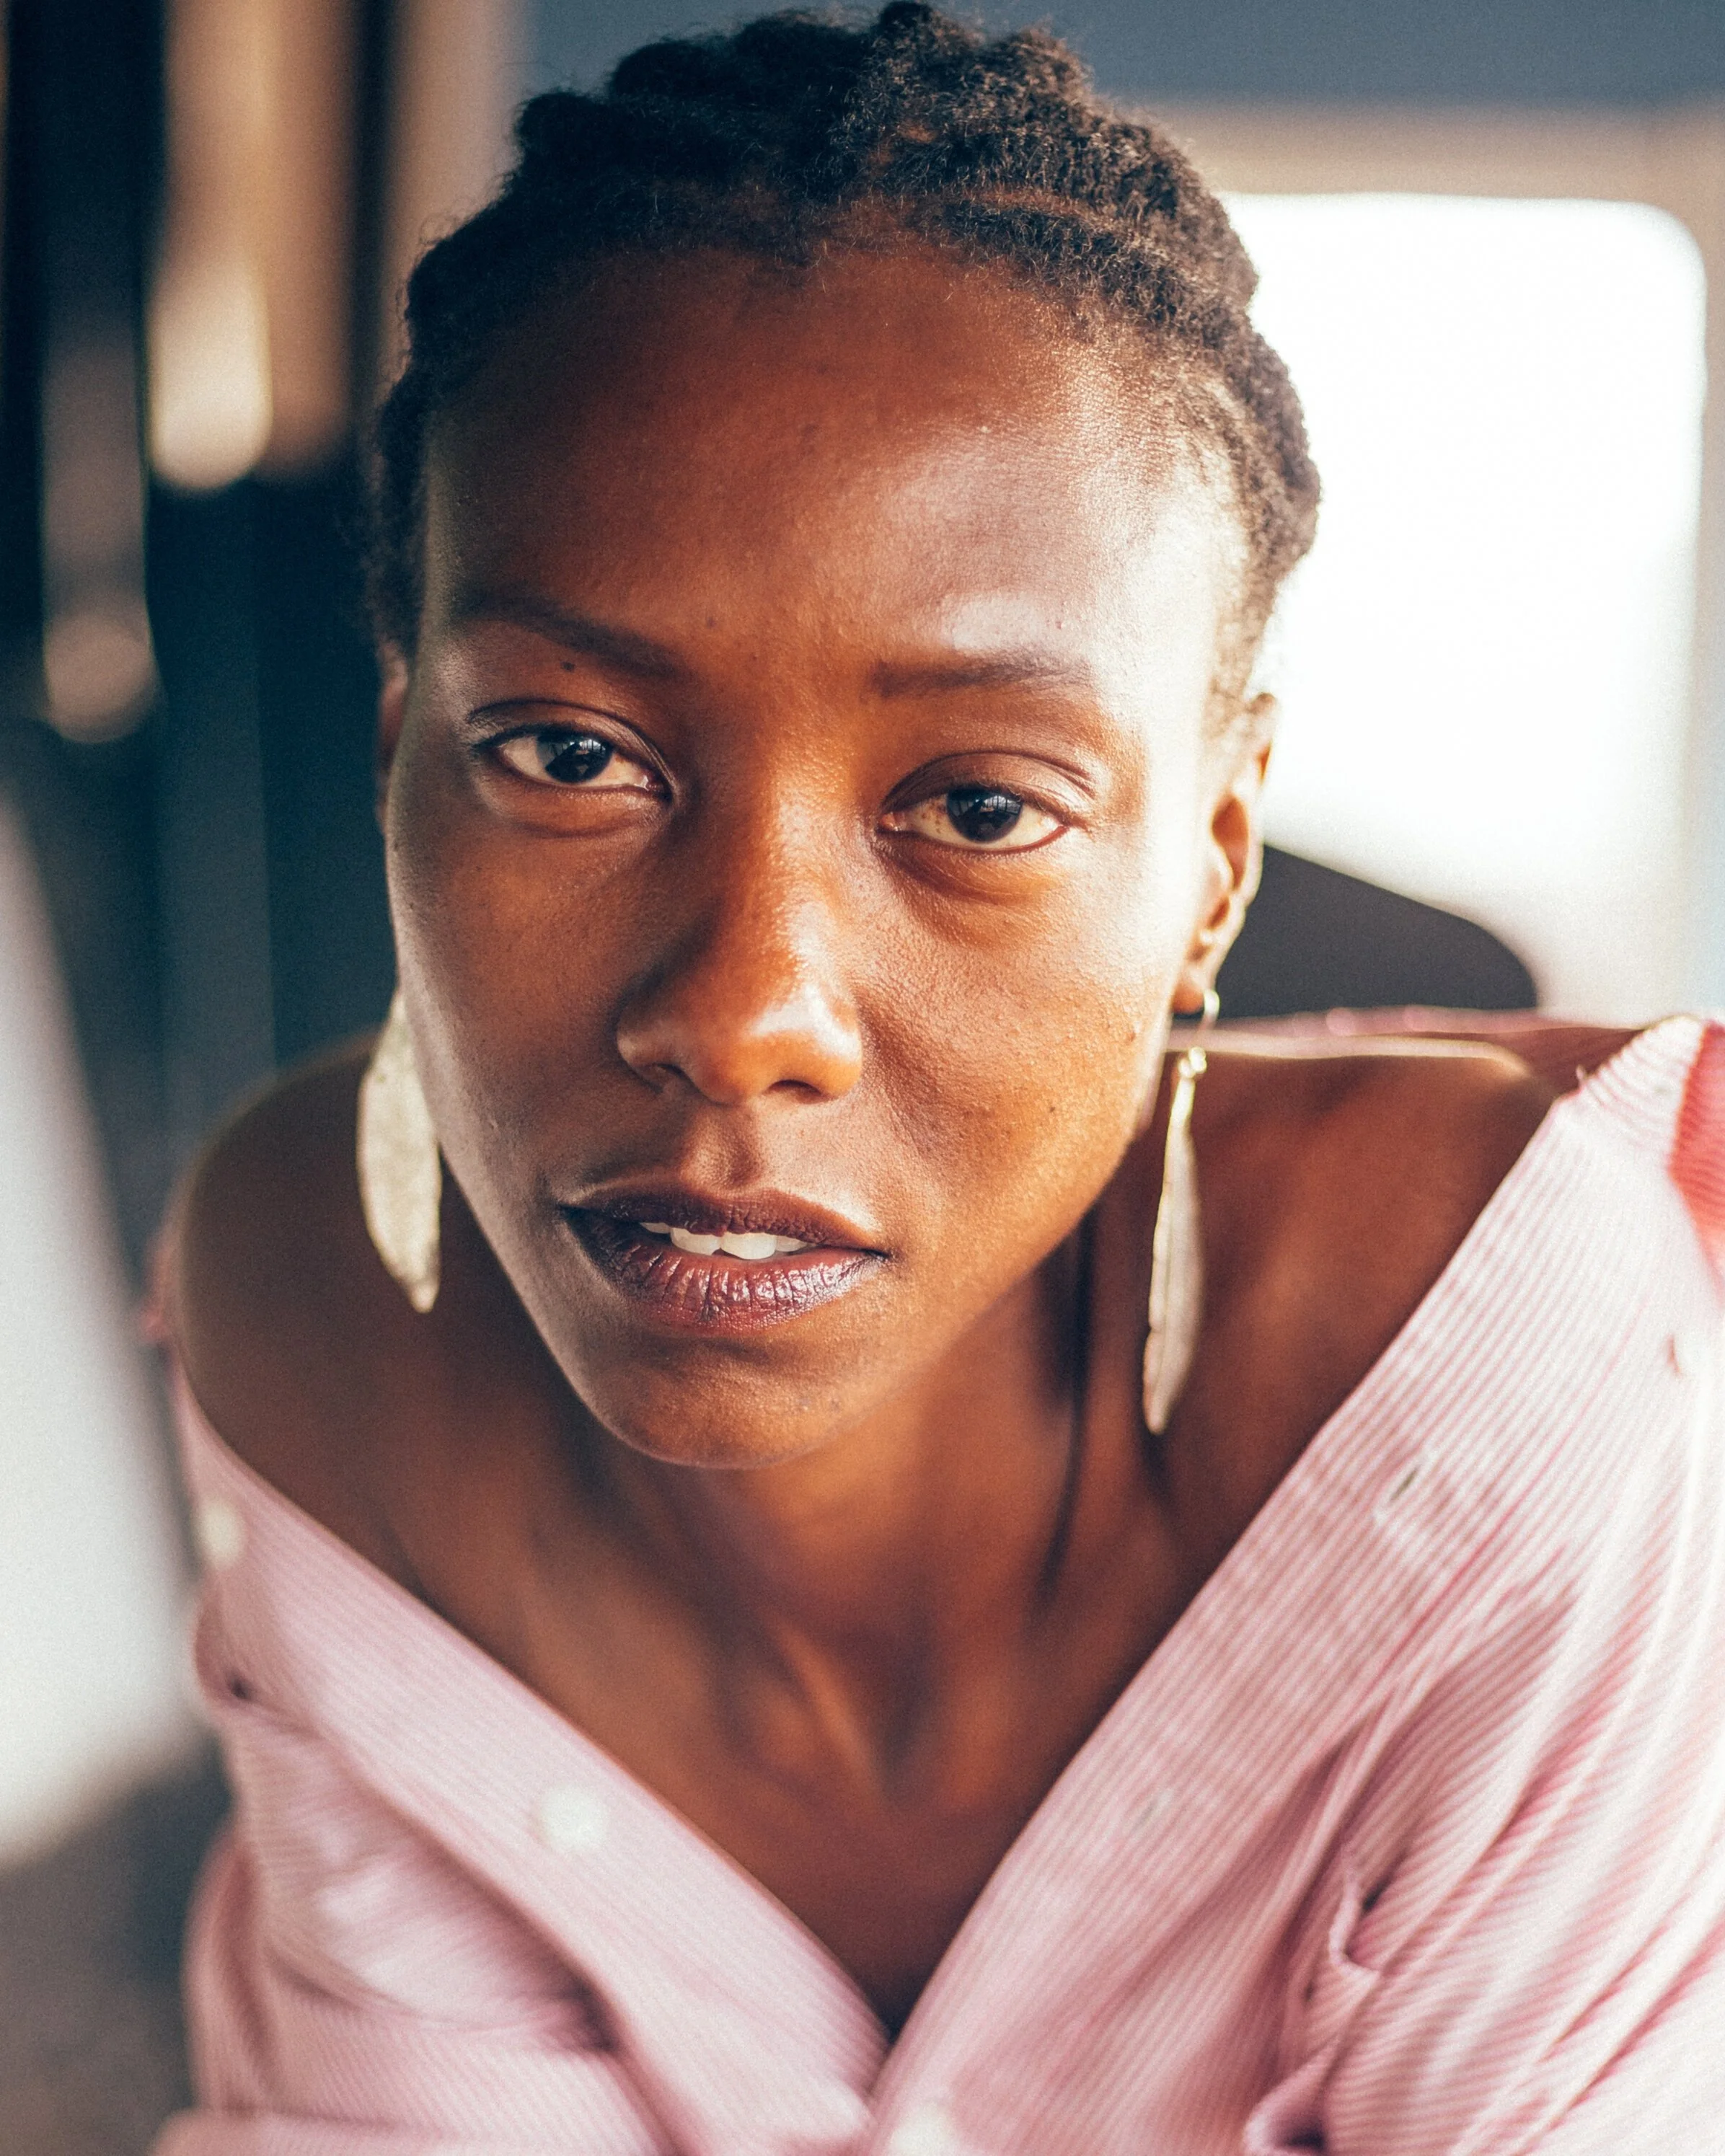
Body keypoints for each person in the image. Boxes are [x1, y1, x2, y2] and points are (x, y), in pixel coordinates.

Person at [151, 9, 1725, 2151]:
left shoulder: (1490, 1361)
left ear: (1213, 870)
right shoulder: (316, 1288)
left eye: (980, 806)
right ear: (400, 746)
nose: (742, 1014)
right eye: (568, 754)